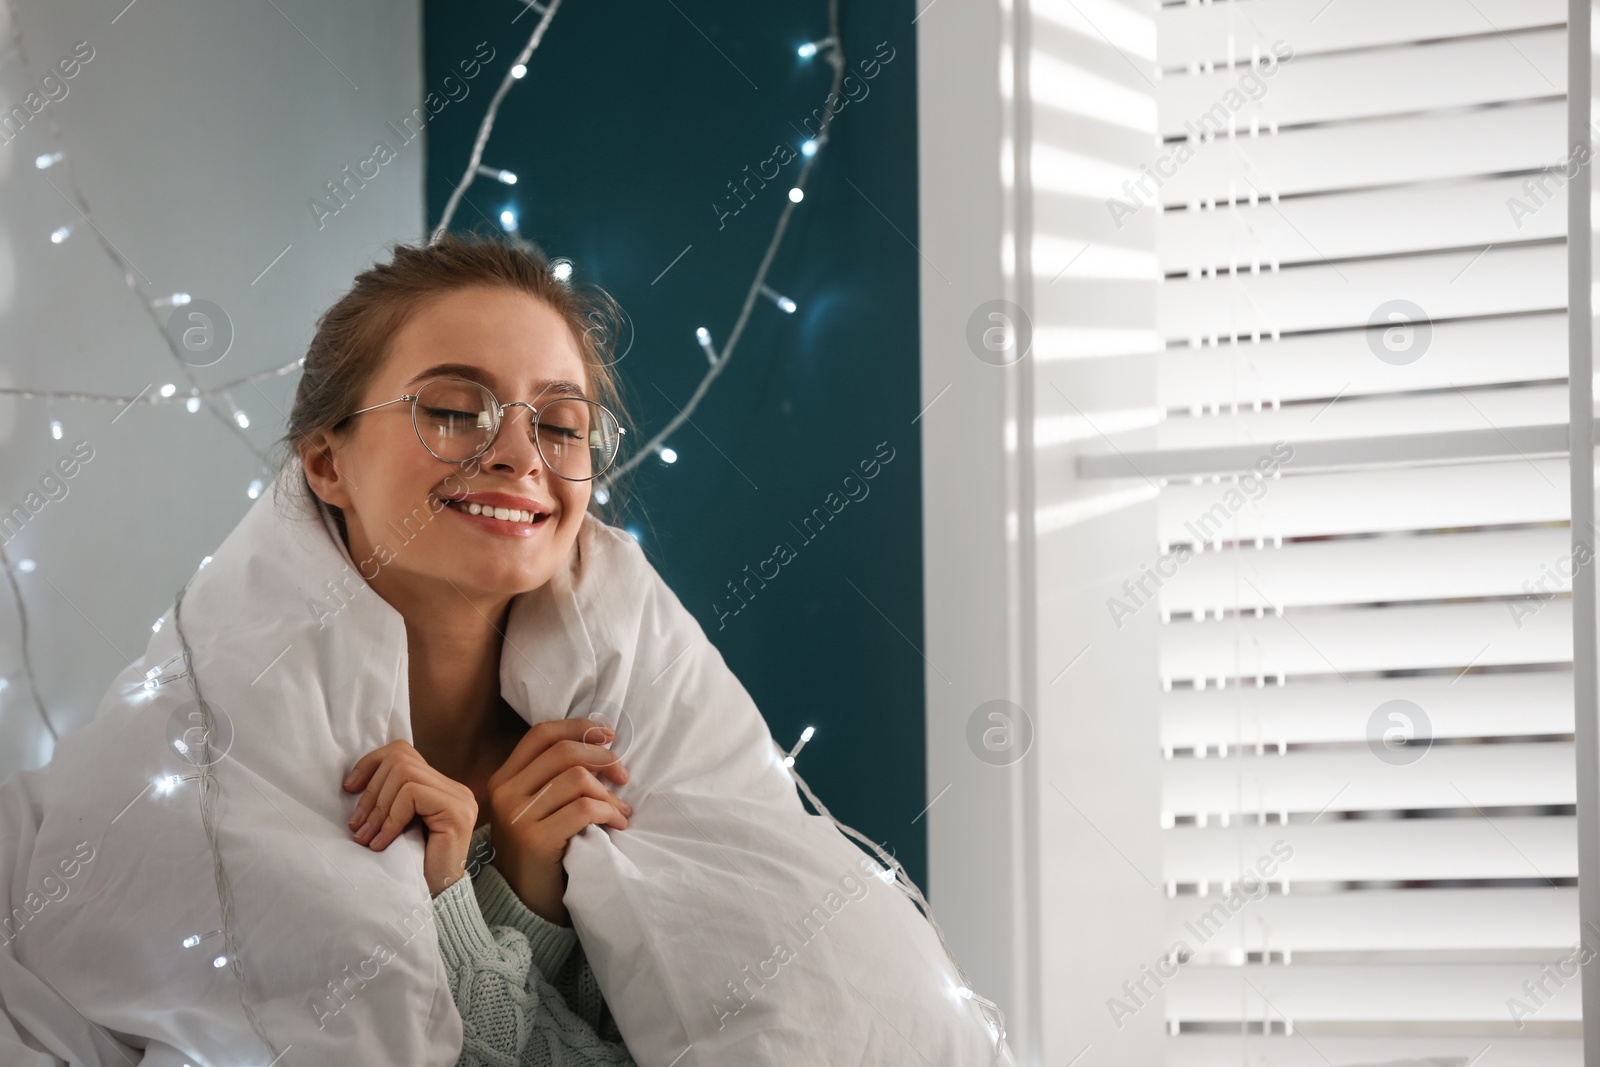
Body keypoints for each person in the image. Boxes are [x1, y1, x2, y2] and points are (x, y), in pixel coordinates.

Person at [276, 231, 638, 1065]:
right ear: (328, 463)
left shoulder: (618, 760)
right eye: (449, 410)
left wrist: (516, 904)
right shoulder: (245, 761)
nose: (518, 455)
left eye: (560, 424)